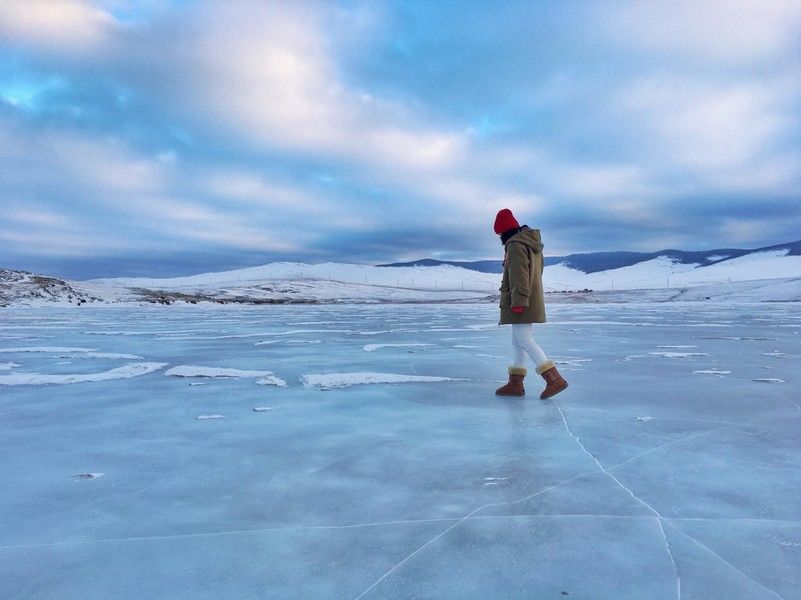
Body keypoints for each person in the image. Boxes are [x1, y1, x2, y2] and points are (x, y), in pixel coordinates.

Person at [493, 208, 568, 399]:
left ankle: (554, 379)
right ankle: (515, 383)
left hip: (520, 301)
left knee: (525, 340)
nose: (500, 237)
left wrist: (519, 301)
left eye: (500, 233)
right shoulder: (529, 243)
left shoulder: (515, 246)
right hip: (527, 299)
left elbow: (519, 275)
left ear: (505, 231)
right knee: (517, 341)